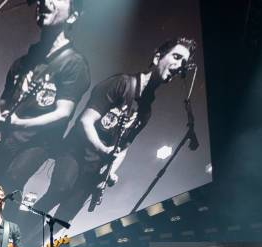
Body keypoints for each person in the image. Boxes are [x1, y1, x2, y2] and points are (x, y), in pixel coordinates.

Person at [29, 37, 197, 227]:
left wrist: (109, 173)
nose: (178, 66)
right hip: (75, 153)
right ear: (158, 57)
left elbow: (124, 148)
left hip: (93, 170)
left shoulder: (146, 110)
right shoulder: (122, 83)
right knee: (60, 189)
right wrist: (102, 149)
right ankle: (18, 238)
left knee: (62, 221)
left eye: (183, 63)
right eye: (175, 57)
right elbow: (85, 121)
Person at [0, 0, 90, 223]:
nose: (44, 1)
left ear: (73, 16)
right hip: (3, 143)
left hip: (37, 144)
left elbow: (63, 113)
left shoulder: (73, 63)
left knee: (9, 183)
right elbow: (0, 108)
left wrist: (19, 123)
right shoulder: (22, 62)